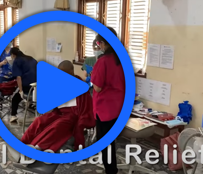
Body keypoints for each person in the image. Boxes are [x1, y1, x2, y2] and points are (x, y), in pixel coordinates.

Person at [21, 60, 95, 152]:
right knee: (39, 120)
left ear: (71, 72)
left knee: (58, 125)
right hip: (59, 113)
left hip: (74, 115)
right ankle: (23, 143)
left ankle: (39, 146)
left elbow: (85, 106)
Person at [91, 28, 125, 174]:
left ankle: (111, 170)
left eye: (99, 44)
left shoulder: (103, 61)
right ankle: (112, 168)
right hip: (119, 107)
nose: (99, 47)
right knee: (111, 140)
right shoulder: (122, 58)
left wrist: (92, 75)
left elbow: (97, 88)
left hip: (105, 109)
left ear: (103, 43)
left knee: (105, 144)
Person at [9, 47, 37, 123]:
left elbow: (18, 77)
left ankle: (13, 115)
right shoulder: (31, 59)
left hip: (27, 86)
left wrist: (21, 91)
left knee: (15, 98)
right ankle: (31, 106)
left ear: (13, 55)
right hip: (37, 86)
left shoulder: (17, 61)